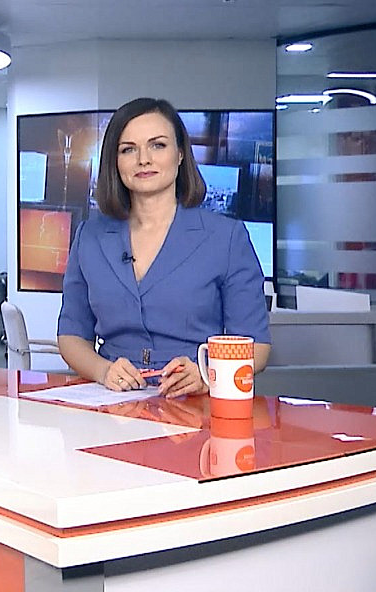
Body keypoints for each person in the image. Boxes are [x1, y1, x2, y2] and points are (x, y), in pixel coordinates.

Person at [56, 97, 270, 398]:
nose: (143, 159)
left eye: (158, 145)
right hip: (114, 401)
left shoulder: (226, 237)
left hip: (196, 403)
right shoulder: (89, 237)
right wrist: (103, 371)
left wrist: (207, 374)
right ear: (114, 161)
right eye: (128, 149)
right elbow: (71, 336)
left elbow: (256, 345)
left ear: (180, 154)